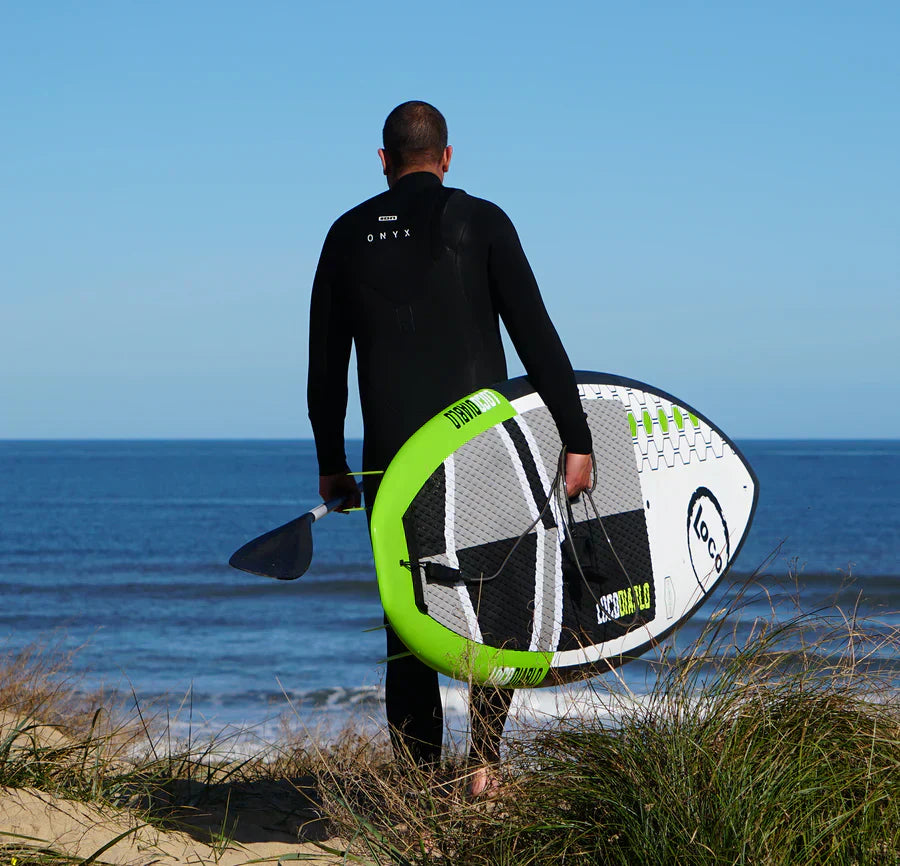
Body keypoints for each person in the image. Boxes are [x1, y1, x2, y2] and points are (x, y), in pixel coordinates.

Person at [307, 101, 592, 795]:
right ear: (447, 156)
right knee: (497, 612)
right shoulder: (482, 221)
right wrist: (576, 437)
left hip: (392, 463)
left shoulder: (345, 235)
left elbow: (325, 370)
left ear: (384, 160)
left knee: (408, 630)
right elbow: (537, 338)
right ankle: (483, 767)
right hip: (482, 454)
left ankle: (419, 790)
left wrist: (333, 465)